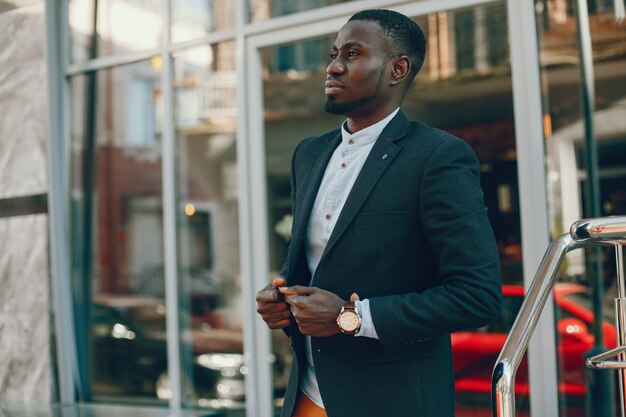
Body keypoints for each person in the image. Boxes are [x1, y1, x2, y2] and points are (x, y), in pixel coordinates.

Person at [256, 9, 502, 417]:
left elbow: (477, 296)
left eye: (352, 54)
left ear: (397, 69)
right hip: (307, 394)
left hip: (393, 399)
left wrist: (349, 317)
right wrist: (281, 300)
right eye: (334, 53)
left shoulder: (437, 157)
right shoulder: (309, 154)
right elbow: (315, 265)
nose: (333, 66)